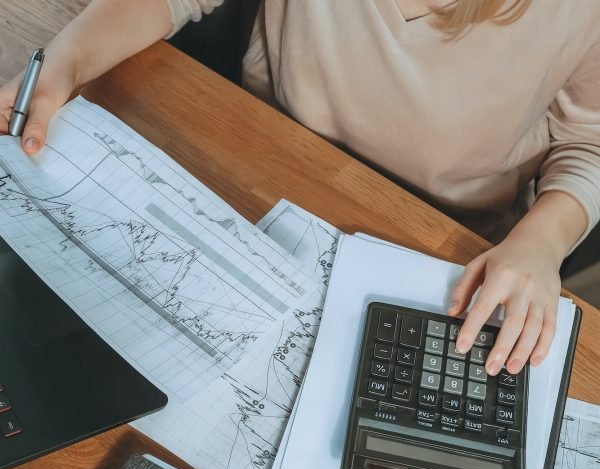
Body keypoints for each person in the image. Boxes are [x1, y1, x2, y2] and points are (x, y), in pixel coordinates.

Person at [1, 0, 598, 378]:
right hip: (260, 182)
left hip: (442, 254)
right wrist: (67, 62)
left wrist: (543, 244)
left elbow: (589, 142)